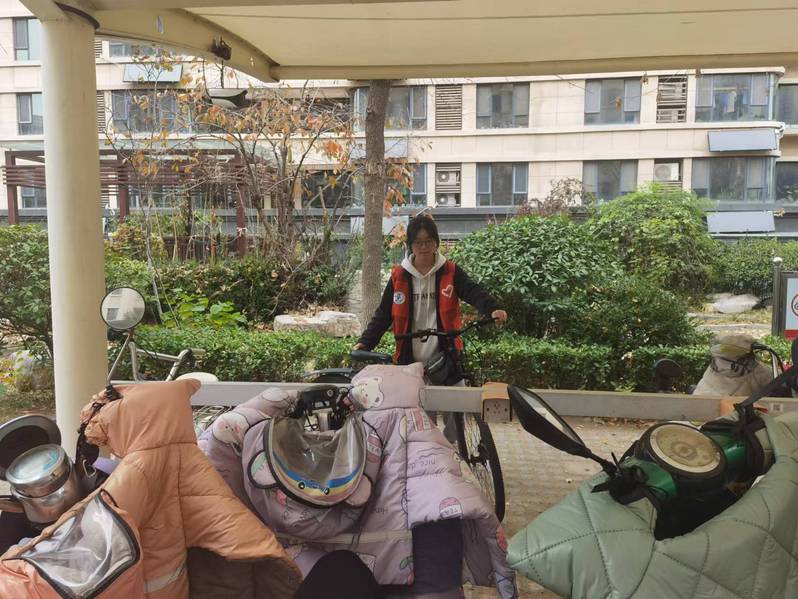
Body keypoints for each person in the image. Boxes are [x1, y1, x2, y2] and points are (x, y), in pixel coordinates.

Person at [355, 213, 507, 375]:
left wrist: (493, 308)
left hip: (447, 361)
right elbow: (384, 314)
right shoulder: (399, 276)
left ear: (436, 243)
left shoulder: (450, 271)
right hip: (408, 363)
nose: (424, 247)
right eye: (418, 242)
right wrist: (365, 342)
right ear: (410, 245)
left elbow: (473, 291)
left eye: (428, 241)